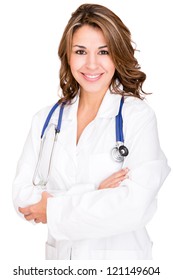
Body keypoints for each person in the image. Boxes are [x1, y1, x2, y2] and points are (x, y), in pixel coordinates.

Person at [13, 3, 170, 260]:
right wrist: (95, 192)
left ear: (117, 55)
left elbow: (135, 206)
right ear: (68, 55)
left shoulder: (137, 117)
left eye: (104, 51)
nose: (92, 64)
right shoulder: (46, 120)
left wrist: (53, 208)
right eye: (81, 51)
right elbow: (23, 199)